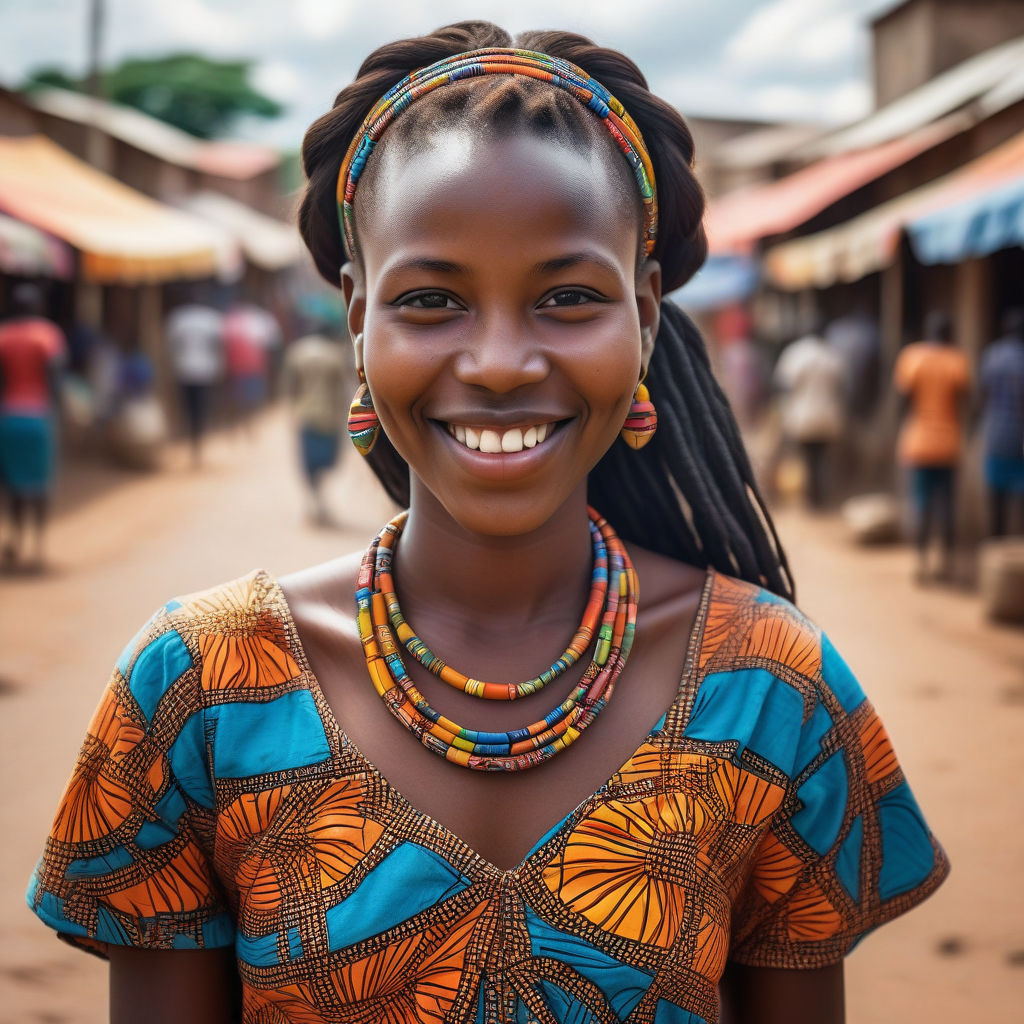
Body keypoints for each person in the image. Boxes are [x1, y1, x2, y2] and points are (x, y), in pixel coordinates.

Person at [27, 24, 948, 1024]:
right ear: (356, 316)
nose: (502, 360)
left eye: (567, 296)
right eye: (431, 299)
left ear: (643, 316)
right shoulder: (197, 689)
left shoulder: (769, 686)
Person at [894, 311, 970, 581]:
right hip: (949, 443)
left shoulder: (912, 358)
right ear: (949, 334)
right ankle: (946, 563)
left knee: (921, 503)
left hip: (918, 442)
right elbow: (964, 402)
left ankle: (921, 561)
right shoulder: (957, 361)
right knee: (946, 504)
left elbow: (903, 400)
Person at [0, 282, 66, 569]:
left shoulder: (3, 337)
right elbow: (55, 379)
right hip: (37, 417)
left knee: (14, 484)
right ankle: (38, 549)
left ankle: (16, 540)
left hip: (8, 418)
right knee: (38, 485)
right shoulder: (47, 336)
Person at [283, 326, 352, 523]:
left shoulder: (297, 352)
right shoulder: (335, 354)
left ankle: (315, 500)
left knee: (309, 462)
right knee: (325, 460)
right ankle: (319, 502)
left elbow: (290, 387)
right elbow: (342, 388)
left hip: (306, 414)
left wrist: (291, 412)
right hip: (329, 415)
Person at [773, 322, 846, 509]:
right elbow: (842, 385)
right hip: (827, 414)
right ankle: (821, 497)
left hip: (803, 414)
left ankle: (812, 499)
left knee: (807, 457)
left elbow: (784, 384)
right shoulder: (831, 354)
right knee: (822, 457)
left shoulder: (796, 353)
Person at [164, 293, 225, 467]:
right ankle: (196, 445)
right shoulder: (211, 319)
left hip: (183, 370)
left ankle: (192, 444)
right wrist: (219, 367)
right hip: (205, 371)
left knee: (187, 409)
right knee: (200, 410)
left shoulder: (178, 318)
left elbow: (171, 345)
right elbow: (217, 346)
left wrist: (171, 366)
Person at [979, 308, 1024, 537]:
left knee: (996, 500)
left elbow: (983, 395)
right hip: (1019, 439)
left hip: (995, 434)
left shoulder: (992, 356)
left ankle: (997, 547)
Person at [223, 299, 283, 438]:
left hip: (238, 366)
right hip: (253, 365)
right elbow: (272, 341)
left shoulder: (231, 320)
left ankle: (244, 425)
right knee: (252, 397)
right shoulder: (259, 319)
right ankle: (251, 425)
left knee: (240, 397)